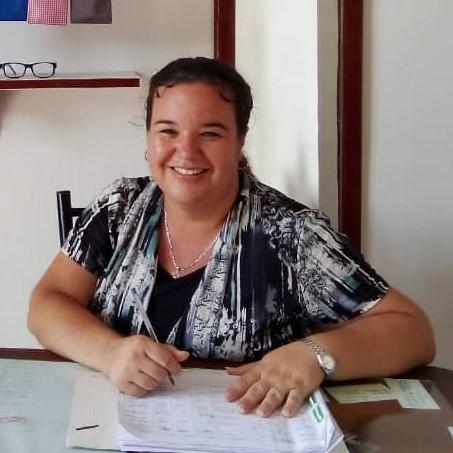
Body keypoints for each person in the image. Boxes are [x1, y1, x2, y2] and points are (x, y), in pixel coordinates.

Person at [28, 56, 435, 419]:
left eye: (210, 133)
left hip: (245, 431)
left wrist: (314, 354)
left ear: (240, 140)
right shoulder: (118, 207)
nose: (186, 151)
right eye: (168, 131)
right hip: (108, 426)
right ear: (148, 138)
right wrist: (108, 352)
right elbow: (48, 303)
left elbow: (412, 331)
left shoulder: (291, 233)